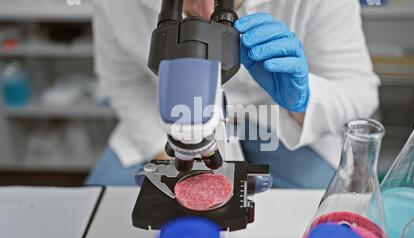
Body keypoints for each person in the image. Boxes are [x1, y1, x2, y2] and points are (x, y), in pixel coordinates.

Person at [87, 0, 380, 188]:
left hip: (277, 122)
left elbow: (359, 92)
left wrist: (302, 101)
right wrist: (163, 150)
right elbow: (122, 83)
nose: (206, 11)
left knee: (316, 214)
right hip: (170, 117)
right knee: (101, 209)